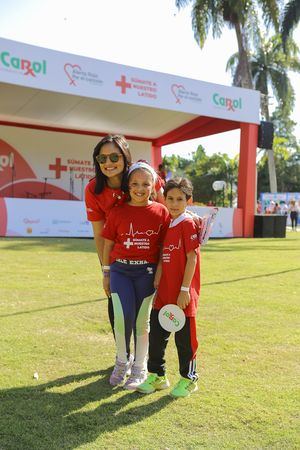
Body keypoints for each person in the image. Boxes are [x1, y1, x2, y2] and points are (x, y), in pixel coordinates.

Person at [85, 135, 165, 359]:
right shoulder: (93, 190)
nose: (108, 163)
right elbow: (100, 236)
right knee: (117, 305)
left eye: (114, 156)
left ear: (125, 157)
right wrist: (106, 272)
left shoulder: (142, 176)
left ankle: (145, 360)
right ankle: (123, 357)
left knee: (146, 312)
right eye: (102, 158)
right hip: (119, 263)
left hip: (148, 262)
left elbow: (165, 211)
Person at [101, 162, 170, 390]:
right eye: (135, 184)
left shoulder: (161, 212)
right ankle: (122, 362)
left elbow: (164, 247)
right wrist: (106, 274)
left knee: (142, 321)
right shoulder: (117, 211)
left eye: (145, 184)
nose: (140, 189)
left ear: (153, 186)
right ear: (128, 186)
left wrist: (159, 271)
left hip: (146, 273)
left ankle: (139, 368)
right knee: (123, 318)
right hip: (121, 271)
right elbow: (108, 244)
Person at [138, 177, 200, 398]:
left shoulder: (188, 223)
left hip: (183, 296)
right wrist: (158, 279)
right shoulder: (168, 223)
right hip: (163, 294)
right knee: (157, 337)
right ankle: (158, 376)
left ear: (188, 200)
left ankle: (188, 380)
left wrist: (184, 290)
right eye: (170, 198)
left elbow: (192, 258)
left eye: (179, 199)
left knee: (184, 342)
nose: (174, 203)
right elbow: (164, 257)